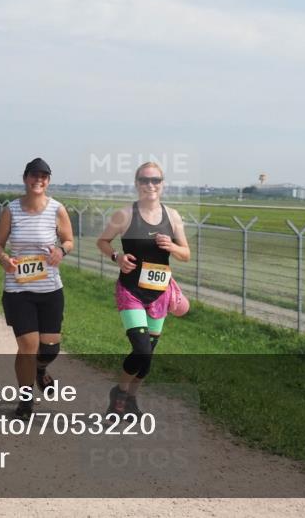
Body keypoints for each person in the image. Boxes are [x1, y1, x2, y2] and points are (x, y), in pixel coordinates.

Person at [96, 162, 190, 418]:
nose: (151, 185)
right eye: (145, 180)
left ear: (163, 184)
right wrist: (117, 256)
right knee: (141, 349)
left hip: (160, 294)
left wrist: (171, 246)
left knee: (147, 358)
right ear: (137, 184)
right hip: (131, 291)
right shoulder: (125, 215)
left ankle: (131, 400)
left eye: (155, 180)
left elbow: (186, 254)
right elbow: (102, 241)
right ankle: (119, 393)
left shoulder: (172, 216)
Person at [0, 158, 73, 420]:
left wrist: (61, 250)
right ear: (25, 178)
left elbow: (69, 240)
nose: (39, 180)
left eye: (44, 176)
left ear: (48, 181)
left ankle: (40, 369)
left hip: (50, 288)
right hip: (19, 289)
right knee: (28, 345)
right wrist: (4, 259)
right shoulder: (11, 210)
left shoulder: (57, 209)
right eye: (34, 176)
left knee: (49, 348)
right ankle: (25, 399)